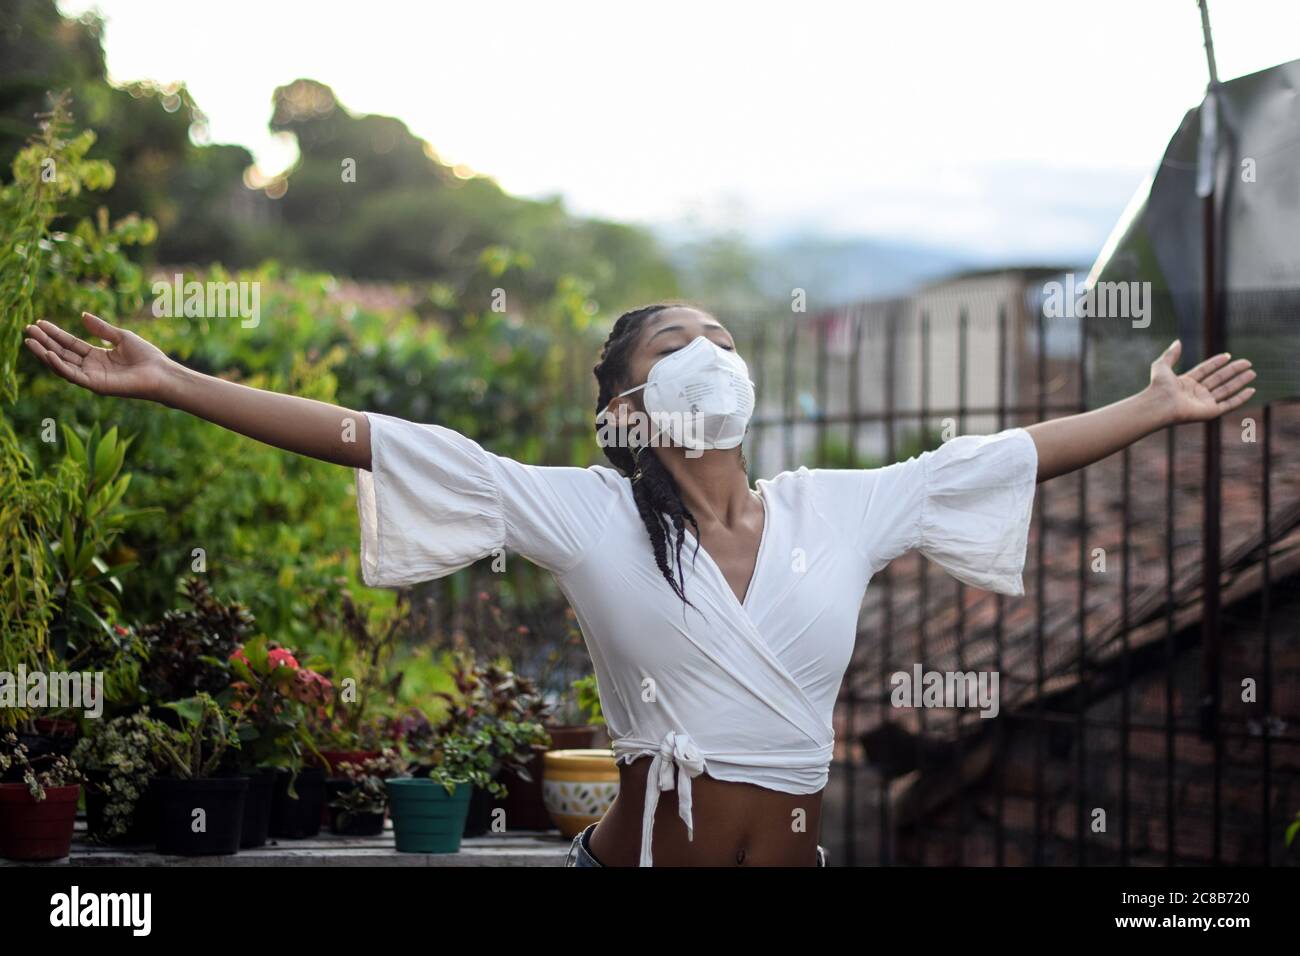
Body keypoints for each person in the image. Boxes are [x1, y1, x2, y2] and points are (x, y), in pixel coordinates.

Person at [23, 303, 1255, 867]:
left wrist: (1151, 406)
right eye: (677, 344)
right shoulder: (588, 508)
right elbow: (371, 435)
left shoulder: (837, 505)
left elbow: (1002, 456)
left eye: (722, 338)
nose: (711, 354)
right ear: (625, 403)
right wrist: (178, 378)